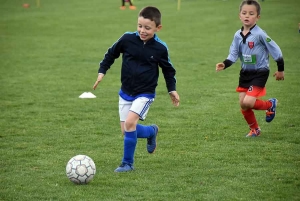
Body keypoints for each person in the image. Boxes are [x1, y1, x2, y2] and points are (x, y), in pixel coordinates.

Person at [93, 6, 180, 172]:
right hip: (125, 91)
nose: (142, 30)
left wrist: (172, 89)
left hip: (145, 94)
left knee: (130, 123)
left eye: (147, 28)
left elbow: (168, 70)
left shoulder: (160, 48)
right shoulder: (127, 39)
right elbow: (111, 54)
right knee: (126, 131)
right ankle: (151, 131)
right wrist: (101, 72)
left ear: (157, 28)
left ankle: (127, 164)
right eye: (140, 26)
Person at [215, 0, 284, 137]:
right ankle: (255, 129)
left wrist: (280, 69)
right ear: (239, 15)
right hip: (245, 73)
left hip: (260, 72)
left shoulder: (260, 35)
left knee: (248, 101)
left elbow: (276, 50)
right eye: (244, 13)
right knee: (243, 104)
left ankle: (270, 104)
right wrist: (225, 63)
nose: (247, 16)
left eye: (251, 13)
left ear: (258, 17)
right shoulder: (237, 35)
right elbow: (234, 53)